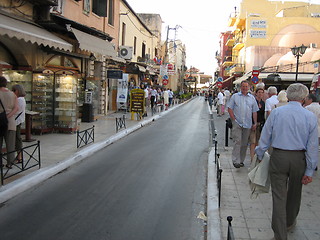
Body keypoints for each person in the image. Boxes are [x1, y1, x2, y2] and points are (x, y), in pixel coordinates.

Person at [255, 83, 318, 240]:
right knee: (295, 193)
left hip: (279, 156)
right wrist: (310, 170)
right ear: (304, 98)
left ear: (287, 96)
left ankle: (280, 234)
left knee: (278, 196)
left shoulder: (276, 113)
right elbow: (312, 146)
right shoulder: (309, 116)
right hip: (299, 158)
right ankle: (289, 221)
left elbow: (265, 135)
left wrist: (260, 153)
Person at [228, 80, 259, 168]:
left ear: (249, 87)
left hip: (248, 124)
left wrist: (255, 123)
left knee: (244, 143)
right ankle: (235, 160)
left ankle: (241, 160)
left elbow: (254, 111)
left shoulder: (252, 98)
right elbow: (230, 108)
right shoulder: (235, 96)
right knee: (237, 141)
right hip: (237, 123)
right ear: (240, 87)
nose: (245, 88)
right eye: (243, 86)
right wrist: (234, 120)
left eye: (246, 86)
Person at [0, 76, 19, 168]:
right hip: (10, 122)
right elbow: (16, 108)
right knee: (10, 144)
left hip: (0, 121)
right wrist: (8, 116)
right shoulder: (12, 94)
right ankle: (10, 163)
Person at [249, 87, 265, 162]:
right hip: (253, 124)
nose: (260, 94)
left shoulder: (263, 103)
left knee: (258, 142)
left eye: (262, 92)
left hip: (260, 124)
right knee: (252, 141)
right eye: (259, 92)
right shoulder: (253, 102)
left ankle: (256, 157)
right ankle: (252, 158)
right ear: (256, 93)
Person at [12, 84, 26, 163]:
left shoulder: (19, 100)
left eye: (13, 90)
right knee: (17, 138)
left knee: (17, 139)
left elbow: (16, 110)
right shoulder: (21, 99)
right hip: (18, 120)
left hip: (16, 121)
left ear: (17, 91)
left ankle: (19, 157)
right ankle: (19, 156)